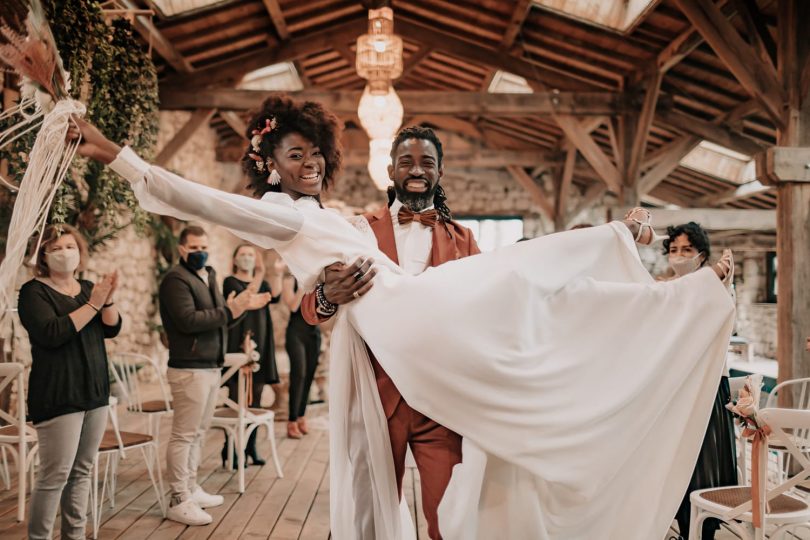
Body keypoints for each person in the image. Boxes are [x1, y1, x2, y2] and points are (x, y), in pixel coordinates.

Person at [70, 97, 735, 540]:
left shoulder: (395, 226)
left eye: (315, 153)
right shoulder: (301, 214)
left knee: (529, 284)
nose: (312, 163)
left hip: (434, 359)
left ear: (437, 173)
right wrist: (117, 155)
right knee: (523, 281)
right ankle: (643, 267)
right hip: (390, 361)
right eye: (295, 156)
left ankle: (668, 294)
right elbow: (210, 205)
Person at [300, 126, 479, 539]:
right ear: (390, 170)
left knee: (449, 517)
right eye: (406, 162)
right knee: (368, 517)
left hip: (441, 405)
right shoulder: (356, 232)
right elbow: (310, 309)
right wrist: (330, 293)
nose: (416, 170)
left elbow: (488, 306)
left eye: (427, 163)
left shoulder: (465, 240)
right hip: (375, 400)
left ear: (440, 171)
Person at [158, 225, 269, 526]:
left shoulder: (209, 274)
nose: (200, 252)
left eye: (203, 247)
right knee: (183, 434)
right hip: (188, 366)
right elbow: (188, 320)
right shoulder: (175, 280)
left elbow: (222, 321)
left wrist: (241, 307)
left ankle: (191, 487)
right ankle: (178, 498)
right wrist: (231, 308)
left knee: (198, 433)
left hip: (210, 364)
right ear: (182, 249)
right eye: (194, 248)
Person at [18, 224, 121, 540]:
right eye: (57, 248)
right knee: (55, 475)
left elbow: (111, 329)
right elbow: (51, 333)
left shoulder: (90, 287)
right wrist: (93, 304)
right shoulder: (34, 292)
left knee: (82, 472)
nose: (65, 253)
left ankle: (74, 536)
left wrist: (107, 300)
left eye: (70, 246)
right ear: (44, 257)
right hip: (58, 393)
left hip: (94, 392)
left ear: (80, 251)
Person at [664, 222, 737, 540]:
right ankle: (681, 526)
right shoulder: (665, 290)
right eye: (673, 250)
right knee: (674, 461)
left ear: (701, 255)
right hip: (675, 389)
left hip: (706, 388)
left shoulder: (717, 289)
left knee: (704, 463)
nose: (679, 256)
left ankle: (704, 528)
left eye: (687, 250)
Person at [221, 244, 282, 467]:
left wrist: (275, 273)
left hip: (261, 341)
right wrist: (261, 273)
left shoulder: (262, 281)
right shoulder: (230, 282)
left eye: (250, 255)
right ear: (235, 259)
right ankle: (231, 449)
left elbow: (274, 296)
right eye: (243, 255)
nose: (247, 258)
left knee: (256, 397)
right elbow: (249, 298)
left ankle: (251, 446)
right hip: (239, 341)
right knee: (237, 399)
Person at [283, 274, 321, 439]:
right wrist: (304, 285)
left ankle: (301, 416)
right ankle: (291, 420)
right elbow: (292, 306)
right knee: (299, 374)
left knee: (309, 375)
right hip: (296, 333)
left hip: (314, 332)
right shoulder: (289, 278)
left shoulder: (319, 277)